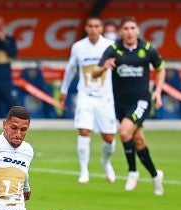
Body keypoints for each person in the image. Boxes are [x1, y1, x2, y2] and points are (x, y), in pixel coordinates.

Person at [93, 16, 165, 195]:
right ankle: (156, 176)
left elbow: (161, 68)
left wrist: (158, 91)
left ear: (138, 30)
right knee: (139, 141)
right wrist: (104, 67)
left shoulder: (147, 49)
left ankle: (132, 171)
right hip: (120, 104)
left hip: (141, 100)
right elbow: (94, 72)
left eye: (133, 28)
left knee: (124, 132)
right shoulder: (113, 49)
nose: (129, 32)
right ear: (121, 31)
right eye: (126, 28)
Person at [59, 16, 118, 184]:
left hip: (105, 97)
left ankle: (106, 163)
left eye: (97, 26)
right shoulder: (78, 47)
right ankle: (84, 171)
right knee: (84, 130)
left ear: (101, 29)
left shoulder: (109, 46)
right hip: (85, 95)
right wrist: (63, 90)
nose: (93, 29)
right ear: (86, 28)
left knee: (109, 138)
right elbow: (71, 69)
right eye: (90, 26)